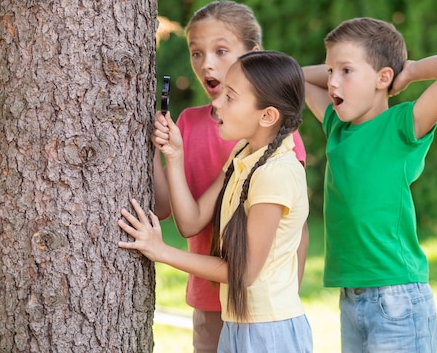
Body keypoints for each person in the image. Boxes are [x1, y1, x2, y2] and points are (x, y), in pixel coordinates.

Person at [120, 50, 313, 353]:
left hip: (270, 333)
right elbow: (191, 222)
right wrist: (174, 155)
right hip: (238, 325)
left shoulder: (277, 173)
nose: (216, 103)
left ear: (267, 115)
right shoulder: (243, 153)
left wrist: (160, 251)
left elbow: (243, 273)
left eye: (230, 97)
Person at [303, 17, 437, 353]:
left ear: (384, 78)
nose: (333, 83)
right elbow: (293, 76)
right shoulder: (337, 127)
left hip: (396, 298)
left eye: (346, 71)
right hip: (351, 297)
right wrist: (340, 67)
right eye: (329, 72)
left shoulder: (402, 125)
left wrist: (406, 72)